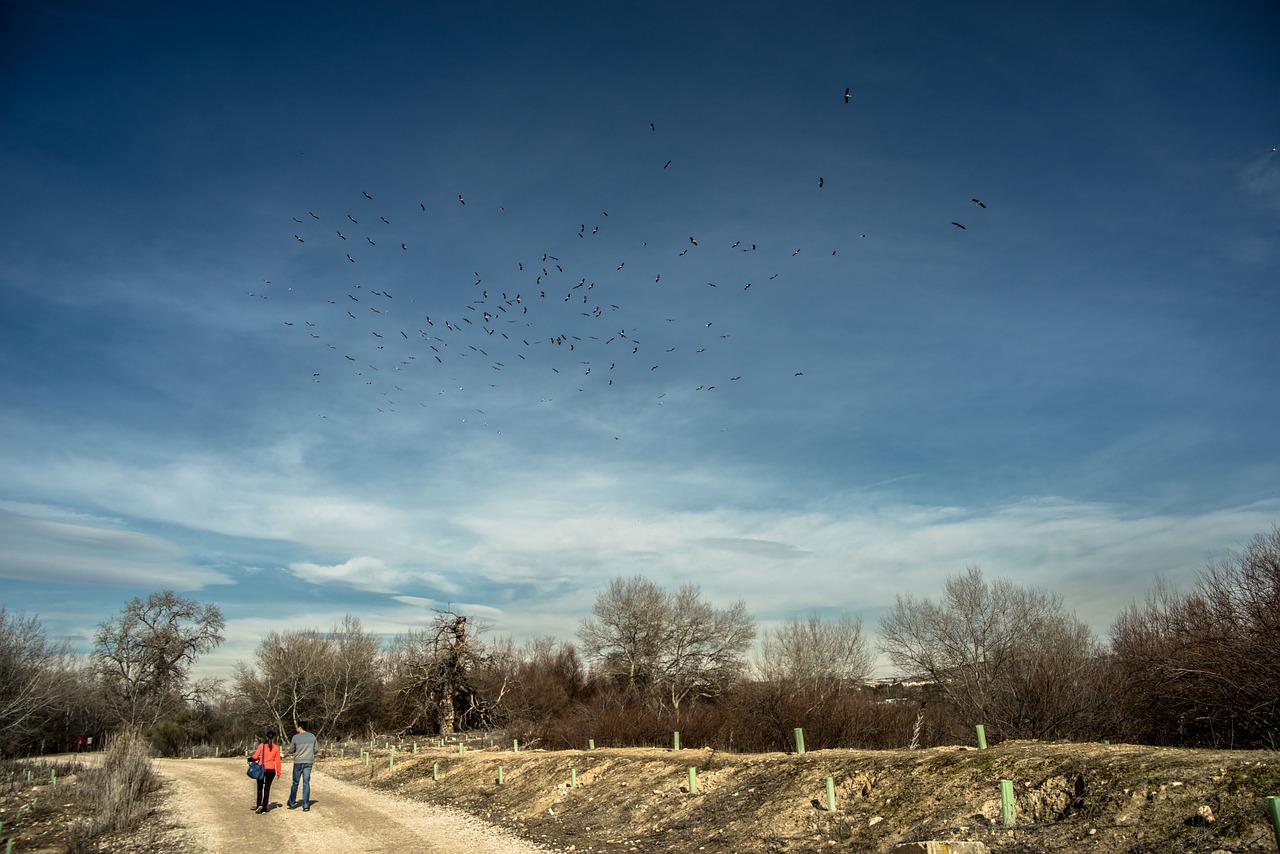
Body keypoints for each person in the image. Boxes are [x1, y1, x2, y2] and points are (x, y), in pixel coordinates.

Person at [287, 722, 318, 811]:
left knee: (295, 782)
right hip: (308, 761)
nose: (296, 729)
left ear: (300, 727)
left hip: (298, 762)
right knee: (306, 782)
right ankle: (305, 805)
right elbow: (316, 749)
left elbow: (291, 750)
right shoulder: (312, 736)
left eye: (297, 727)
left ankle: (292, 802)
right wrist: (310, 753)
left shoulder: (295, 737)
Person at [249, 732, 283, 814]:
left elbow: (255, 756)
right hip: (271, 770)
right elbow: (278, 761)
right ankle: (264, 807)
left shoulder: (262, 746)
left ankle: (258, 805)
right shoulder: (276, 748)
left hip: (262, 769)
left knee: (260, 787)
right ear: (274, 738)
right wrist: (278, 772)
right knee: (267, 788)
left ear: (266, 737)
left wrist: (250, 759)